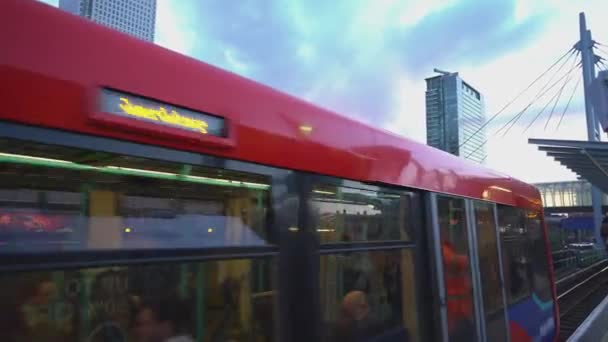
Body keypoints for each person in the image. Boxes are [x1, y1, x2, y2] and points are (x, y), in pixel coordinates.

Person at [441, 241, 475, 341]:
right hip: (455, 313)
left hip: (461, 311)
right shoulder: (443, 248)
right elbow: (454, 261)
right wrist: (467, 257)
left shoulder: (449, 248)